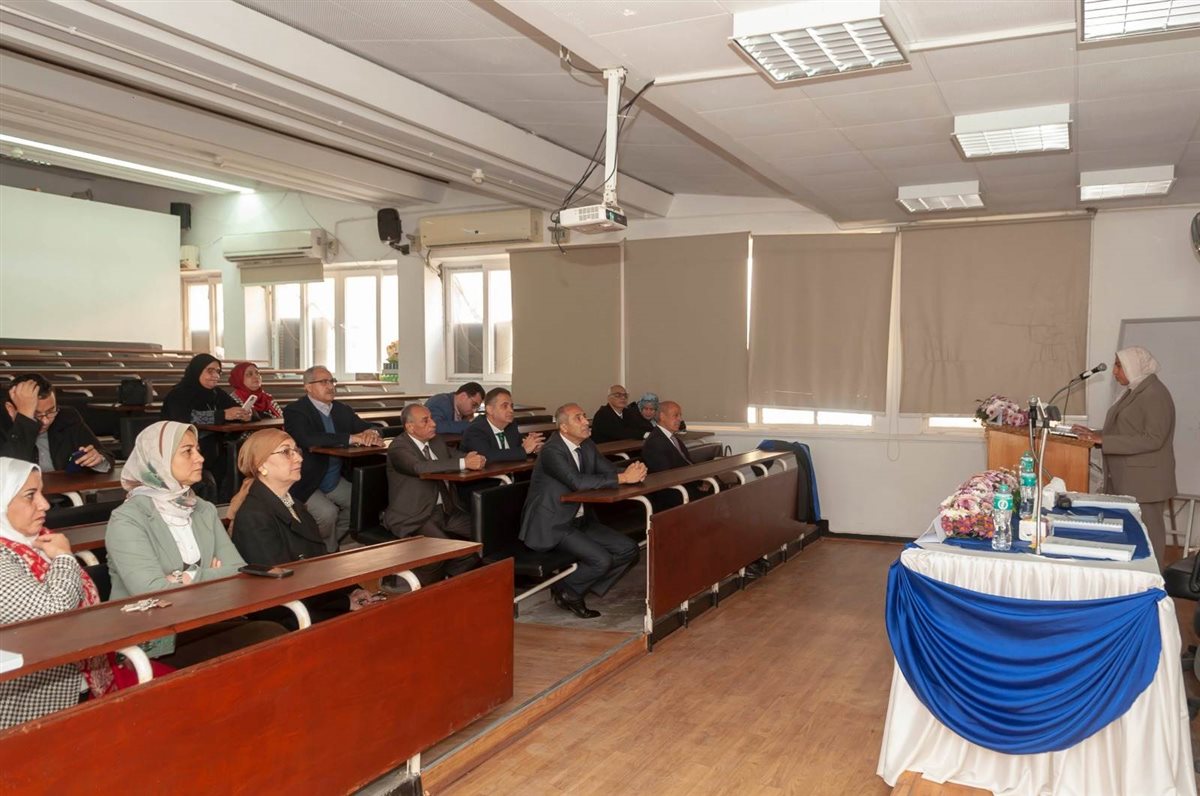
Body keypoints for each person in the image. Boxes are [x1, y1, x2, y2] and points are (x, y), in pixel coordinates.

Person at [105, 421, 286, 667]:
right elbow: (152, 591)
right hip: (151, 639)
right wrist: (209, 575)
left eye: (198, 450)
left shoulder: (203, 509)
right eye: (187, 451)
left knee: (274, 634)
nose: (200, 458)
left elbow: (238, 572)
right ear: (158, 460)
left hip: (205, 618)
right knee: (267, 638)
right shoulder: (128, 519)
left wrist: (184, 578)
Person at [0, 458, 121, 728]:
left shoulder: (32, 541)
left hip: (61, 684)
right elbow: (54, 610)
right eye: (30, 495)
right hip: (24, 707)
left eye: (41, 493)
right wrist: (64, 558)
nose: (44, 504)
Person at [228, 430, 376, 624]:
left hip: (310, 602)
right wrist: (344, 602)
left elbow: (320, 561)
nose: (299, 458)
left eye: (296, 451)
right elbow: (280, 586)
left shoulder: (295, 504)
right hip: (287, 615)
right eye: (286, 452)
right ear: (261, 465)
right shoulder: (253, 516)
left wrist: (352, 590)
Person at [519, 403, 646, 618]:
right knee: (602, 560)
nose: (586, 422)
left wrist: (633, 472)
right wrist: (624, 478)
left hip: (579, 520)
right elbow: (576, 482)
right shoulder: (552, 450)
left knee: (628, 549)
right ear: (564, 427)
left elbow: (608, 470)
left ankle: (570, 587)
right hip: (553, 523)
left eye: (585, 416)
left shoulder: (586, 445)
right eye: (578, 418)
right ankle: (572, 592)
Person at [1074, 346, 1177, 564]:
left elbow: (1154, 438)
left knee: (1149, 536)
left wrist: (1104, 440)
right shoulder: (1135, 390)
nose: (1114, 371)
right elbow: (1126, 431)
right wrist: (1094, 434)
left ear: (1134, 366)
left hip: (1146, 483)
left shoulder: (1154, 394)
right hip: (1128, 479)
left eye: (1119, 366)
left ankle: (1153, 578)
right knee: (1131, 535)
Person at [282, 366, 383, 551]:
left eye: (332, 381)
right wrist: (351, 438)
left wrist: (372, 432)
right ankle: (323, 550)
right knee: (328, 513)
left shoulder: (341, 409)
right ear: (308, 387)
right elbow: (306, 438)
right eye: (323, 382)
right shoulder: (295, 410)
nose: (330, 386)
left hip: (333, 478)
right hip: (306, 480)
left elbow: (369, 426)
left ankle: (329, 544)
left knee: (361, 503)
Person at [382, 404, 484, 586]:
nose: (433, 424)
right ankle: (421, 590)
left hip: (446, 510)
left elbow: (455, 456)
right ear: (410, 427)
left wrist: (476, 458)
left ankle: (448, 585)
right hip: (415, 515)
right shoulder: (399, 447)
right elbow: (419, 467)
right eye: (426, 420)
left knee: (485, 534)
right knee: (441, 551)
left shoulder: (435, 441)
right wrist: (464, 463)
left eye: (432, 418)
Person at [160, 354, 251, 496]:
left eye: (218, 371)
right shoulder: (178, 394)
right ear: (197, 371)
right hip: (184, 449)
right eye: (210, 371)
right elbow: (186, 417)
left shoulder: (216, 393)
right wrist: (222, 415)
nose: (216, 375)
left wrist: (244, 415)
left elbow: (234, 409)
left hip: (215, 447)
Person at [0, 374, 113, 473]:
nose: (45, 421)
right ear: (10, 409)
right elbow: (8, 473)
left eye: (50, 411)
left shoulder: (67, 417)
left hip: (65, 489)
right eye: (36, 414)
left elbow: (104, 455)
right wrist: (25, 419)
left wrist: (97, 459)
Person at [460, 387, 545, 462]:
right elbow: (487, 456)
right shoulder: (475, 429)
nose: (511, 410)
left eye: (511, 406)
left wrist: (534, 447)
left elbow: (521, 445)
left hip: (510, 472)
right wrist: (524, 450)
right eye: (505, 406)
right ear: (490, 410)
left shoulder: (511, 425)